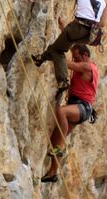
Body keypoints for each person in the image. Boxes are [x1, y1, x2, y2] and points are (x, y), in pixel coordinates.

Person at [24, 0, 107, 92]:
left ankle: (63, 81)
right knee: (58, 45)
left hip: (77, 27)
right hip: (92, 35)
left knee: (58, 51)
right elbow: (103, 22)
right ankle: (40, 58)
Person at [40, 44, 99, 183]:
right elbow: (70, 43)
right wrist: (62, 29)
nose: (75, 59)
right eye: (74, 57)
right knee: (54, 139)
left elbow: (68, 64)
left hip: (82, 107)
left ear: (85, 56)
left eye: (77, 57)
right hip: (77, 106)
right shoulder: (84, 63)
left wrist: (53, 53)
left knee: (61, 111)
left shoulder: (88, 67)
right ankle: (53, 172)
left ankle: (59, 147)